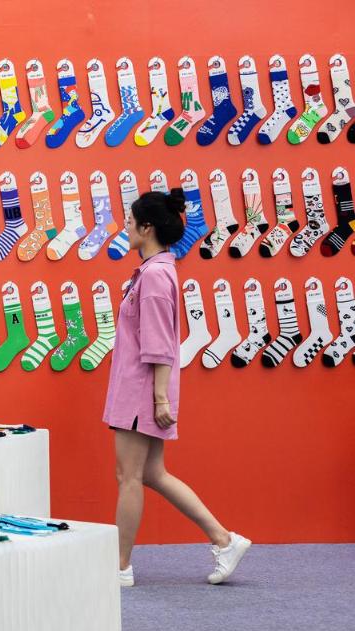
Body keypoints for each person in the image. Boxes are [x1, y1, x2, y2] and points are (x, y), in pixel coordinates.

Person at [103, 188, 250, 587]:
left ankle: (120, 567)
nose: (125, 228)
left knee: (128, 477)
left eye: (130, 222)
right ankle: (224, 540)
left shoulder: (154, 276)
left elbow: (158, 344)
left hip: (140, 392)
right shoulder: (156, 271)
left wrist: (159, 398)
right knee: (152, 473)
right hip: (141, 389)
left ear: (146, 228)